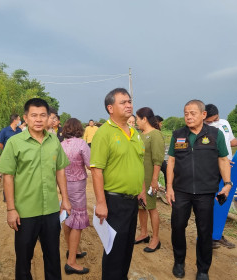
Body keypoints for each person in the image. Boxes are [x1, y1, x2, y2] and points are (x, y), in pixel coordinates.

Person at [0, 98, 72, 280]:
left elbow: (60, 170)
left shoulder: (54, 141)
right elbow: (8, 176)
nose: (38, 119)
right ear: (26, 118)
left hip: (51, 210)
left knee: (53, 256)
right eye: (34, 115)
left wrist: (65, 199)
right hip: (25, 212)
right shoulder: (15, 142)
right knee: (24, 259)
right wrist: (11, 209)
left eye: (43, 116)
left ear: (48, 118)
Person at [166, 100, 231, 280]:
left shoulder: (215, 134)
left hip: (205, 191)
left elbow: (223, 160)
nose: (188, 116)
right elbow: (171, 161)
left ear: (203, 115)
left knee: (204, 231)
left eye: (193, 113)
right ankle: (179, 261)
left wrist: (227, 184)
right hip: (181, 190)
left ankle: (203, 269)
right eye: (186, 113)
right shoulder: (178, 134)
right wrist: (169, 187)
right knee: (178, 226)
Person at [90, 88, 146, 280]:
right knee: (114, 250)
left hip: (132, 202)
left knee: (127, 248)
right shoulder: (104, 134)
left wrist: (142, 190)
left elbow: (138, 163)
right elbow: (96, 170)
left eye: (129, 101)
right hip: (114, 202)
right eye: (123, 102)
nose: (129, 105)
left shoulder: (134, 133)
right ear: (110, 108)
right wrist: (101, 202)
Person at [204, 104, 237, 249]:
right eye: (210, 121)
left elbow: (231, 142)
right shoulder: (201, 129)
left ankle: (217, 234)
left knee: (223, 201)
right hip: (212, 169)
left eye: (215, 119)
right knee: (209, 202)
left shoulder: (225, 123)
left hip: (227, 169)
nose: (213, 123)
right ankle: (208, 236)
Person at [61, 118, 90, 275]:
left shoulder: (61, 145)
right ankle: (71, 262)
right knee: (78, 222)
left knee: (68, 216)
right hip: (78, 185)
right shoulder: (81, 144)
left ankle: (72, 250)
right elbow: (90, 163)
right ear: (79, 129)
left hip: (64, 185)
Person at [134, 107, 165, 253]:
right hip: (139, 178)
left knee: (151, 207)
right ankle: (144, 233)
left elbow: (158, 160)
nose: (136, 122)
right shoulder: (140, 135)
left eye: (137, 119)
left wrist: (154, 180)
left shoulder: (155, 134)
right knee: (141, 206)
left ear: (144, 119)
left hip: (149, 177)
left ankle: (155, 238)